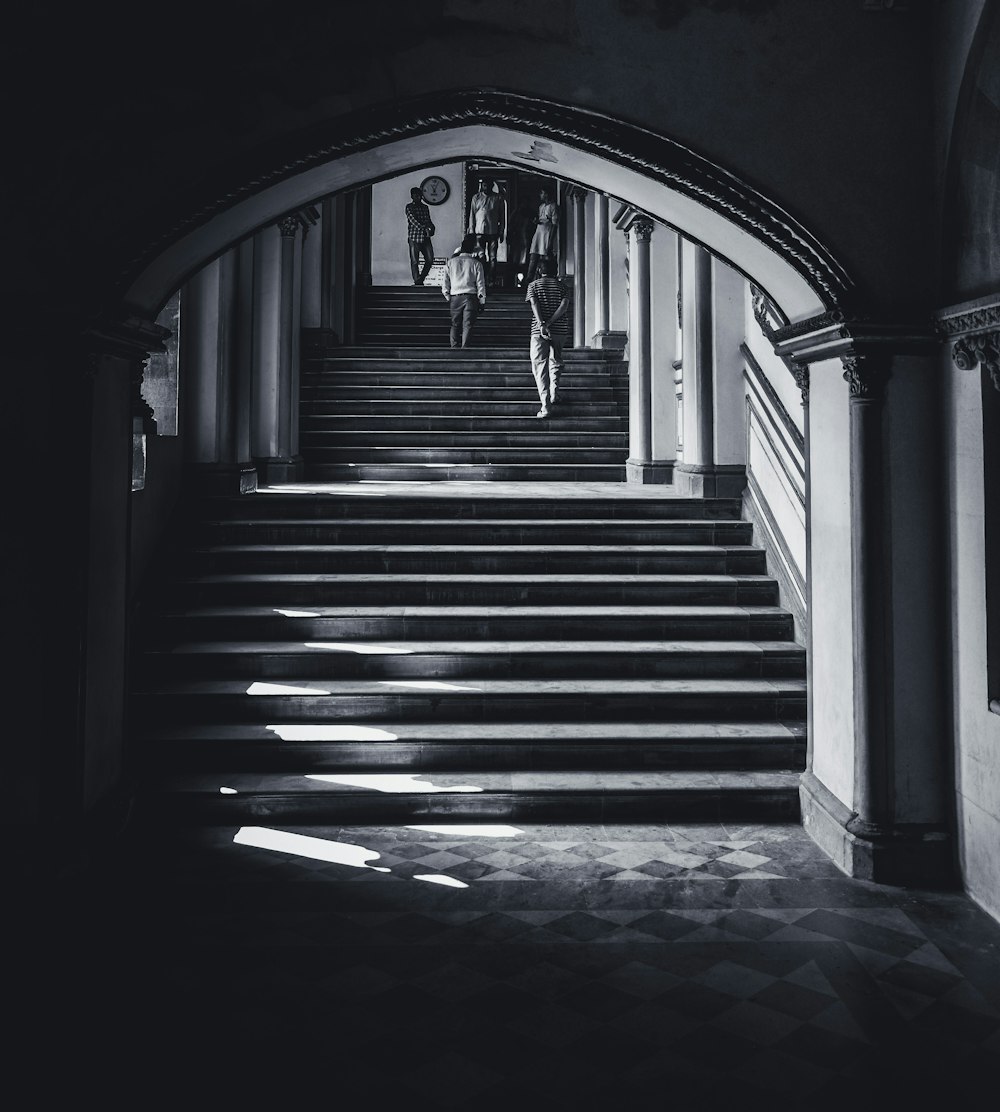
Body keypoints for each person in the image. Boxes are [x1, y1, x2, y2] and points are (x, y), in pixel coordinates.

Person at [525, 256, 570, 417]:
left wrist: (542, 324)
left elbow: (534, 304)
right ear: (555, 270)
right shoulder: (563, 287)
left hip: (538, 331)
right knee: (556, 361)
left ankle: (545, 405)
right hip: (559, 329)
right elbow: (564, 306)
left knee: (539, 365)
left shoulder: (533, 286)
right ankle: (554, 393)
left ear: (539, 270)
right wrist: (550, 322)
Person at [441, 234, 487, 348]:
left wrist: (448, 295)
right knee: (468, 325)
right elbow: (480, 284)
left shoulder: (450, 263)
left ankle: (454, 348)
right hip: (470, 296)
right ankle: (465, 349)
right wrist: (482, 301)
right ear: (472, 249)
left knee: (455, 324)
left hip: (455, 296)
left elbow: (445, 283)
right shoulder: (476, 264)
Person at [467, 178, 505, 284]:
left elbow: (502, 217)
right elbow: (472, 215)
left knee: (493, 258)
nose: (486, 187)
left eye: (488, 185)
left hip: (493, 232)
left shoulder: (498, 198)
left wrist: (501, 231)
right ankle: (481, 279)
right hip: (479, 232)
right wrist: (471, 231)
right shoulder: (476, 197)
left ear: (492, 186)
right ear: (482, 186)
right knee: (481, 256)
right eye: (484, 185)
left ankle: (491, 279)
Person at [525, 188, 558, 285]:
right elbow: (541, 219)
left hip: (547, 234)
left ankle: (544, 281)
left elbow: (554, 224)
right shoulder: (541, 206)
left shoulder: (554, 206)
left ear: (547, 194)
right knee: (533, 257)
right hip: (539, 234)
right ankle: (529, 280)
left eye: (542, 193)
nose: (540, 195)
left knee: (545, 259)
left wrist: (551, 242)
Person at [405, 186, 435, 285]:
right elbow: (413, 221)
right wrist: (425, 227)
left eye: (419, 195)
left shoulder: (425, 207)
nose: (418, 197)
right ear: (412, 196)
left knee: (430, 260)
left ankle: (420, 280)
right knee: (414, 261)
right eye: (415, 196)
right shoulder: (409, 207)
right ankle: (417, 281)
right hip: (414, 237)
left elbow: (428, 220)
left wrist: (432, 228)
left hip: (426, 237)